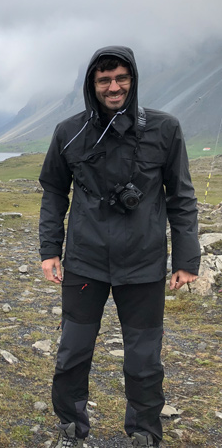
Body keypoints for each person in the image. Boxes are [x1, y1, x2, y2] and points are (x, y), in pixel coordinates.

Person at [39, 46, 200, 448]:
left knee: (145, 360)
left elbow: (181, 196)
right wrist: (49, 249)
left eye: (121, 78)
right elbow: (55, 192)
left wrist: (186, 258)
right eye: (104, 80)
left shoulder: (165, 129)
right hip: (84, 262)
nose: (114, 87)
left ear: (133, 80)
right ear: (92, 85)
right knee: (72, 353)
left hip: (143, 264)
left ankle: (144, 434)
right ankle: (71, 428)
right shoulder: (68, 132)